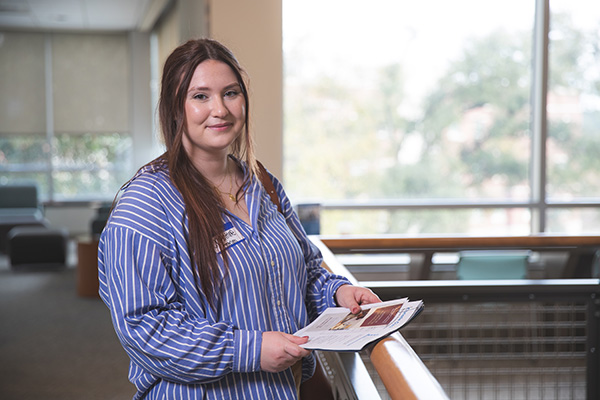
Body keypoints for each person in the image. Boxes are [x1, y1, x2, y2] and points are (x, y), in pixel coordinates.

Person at [97, 38, 380, 400]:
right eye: (200, 96)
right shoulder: (145, 204)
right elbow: (145, 329)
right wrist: (249, 349)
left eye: (230, 93)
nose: (220, 110)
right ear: (174, 108)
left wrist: (338, 292)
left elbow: (303, 271)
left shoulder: (262, 183)